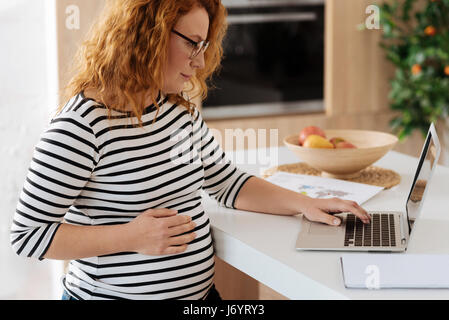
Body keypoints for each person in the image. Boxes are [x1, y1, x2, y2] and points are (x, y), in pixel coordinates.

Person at [10, 0, 370, 300]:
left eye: (204, 47)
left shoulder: (176, 111)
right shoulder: (83, 126)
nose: (199, 63)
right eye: (192, 44)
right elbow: (28, 235)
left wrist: (306, 204)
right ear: (146, 35)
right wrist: (130, 236)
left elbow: (227, 183)